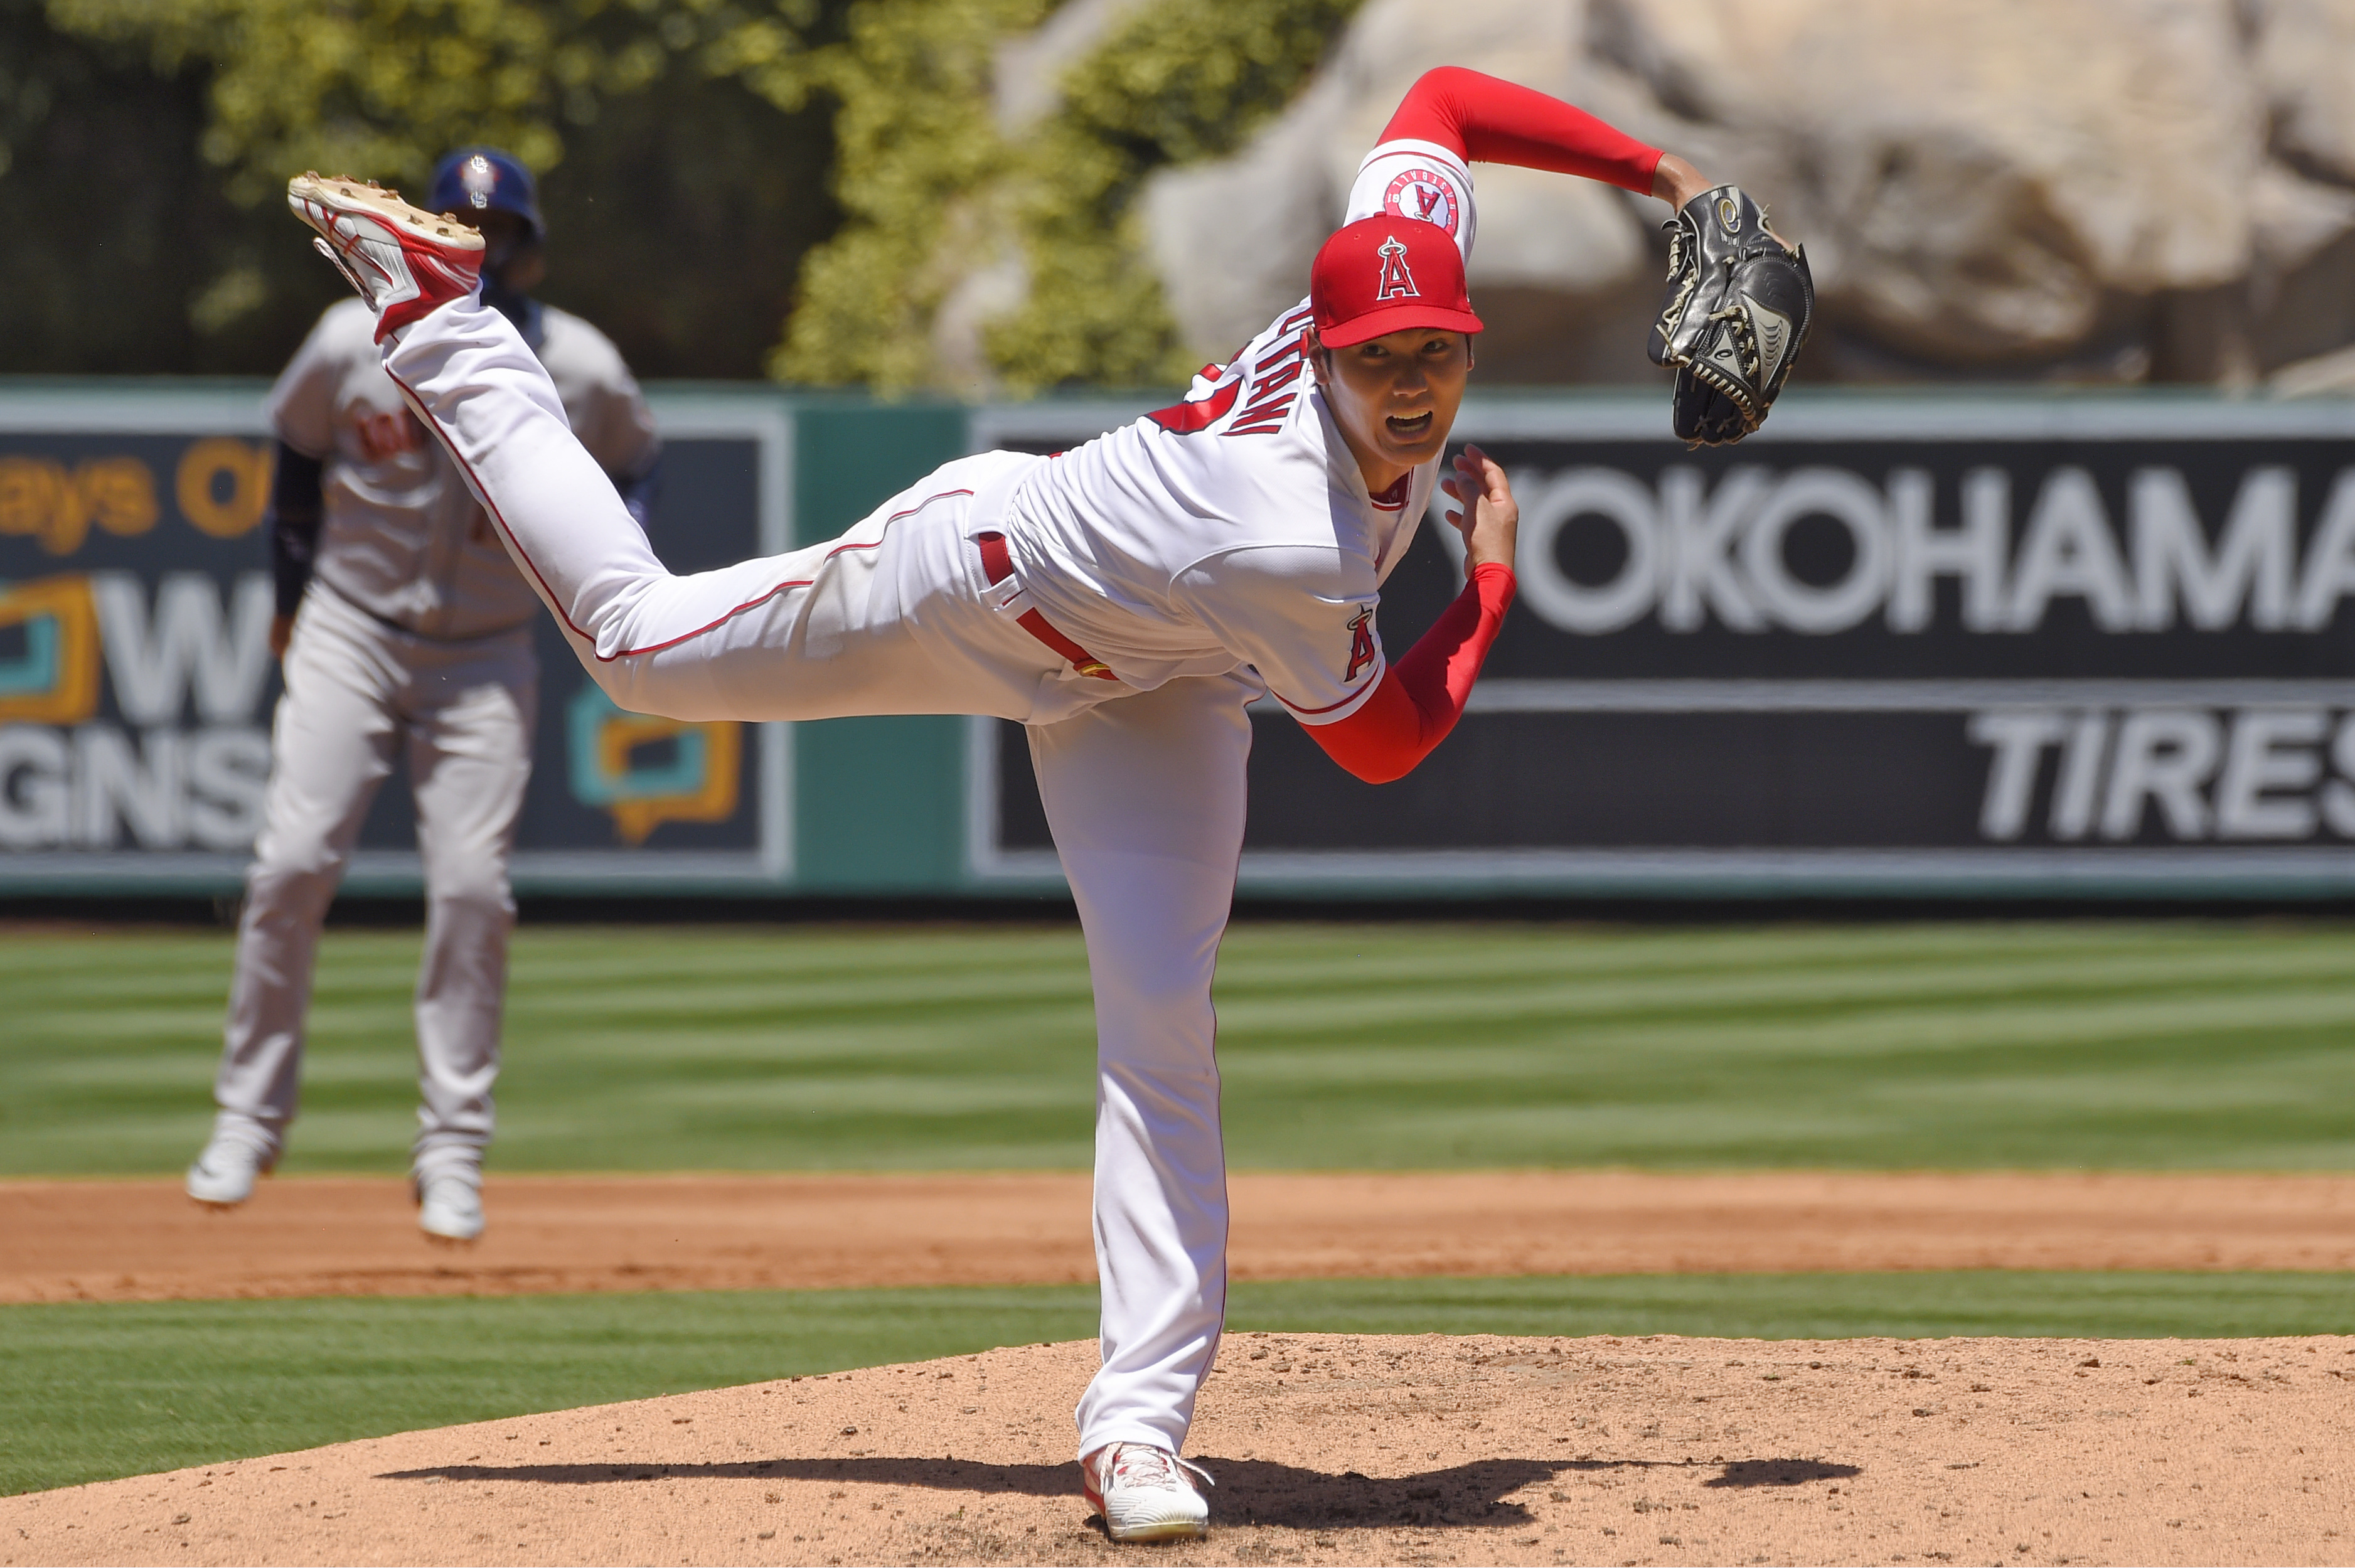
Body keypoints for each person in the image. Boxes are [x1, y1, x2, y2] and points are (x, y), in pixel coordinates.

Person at [284, 67, 1728, 1534]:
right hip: (984, 582)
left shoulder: (1391, 267)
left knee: (1160, 1017)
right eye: (1377, 359)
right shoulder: (1282, 529)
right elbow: (1381, 742)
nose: (1411, 383)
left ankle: (1136, 1434)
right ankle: (444, 315)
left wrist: (1667, 177)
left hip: (1164, 679)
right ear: (1330, 349)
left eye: (1436, 347)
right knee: (638, 649)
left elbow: (1442, 104)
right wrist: (1485, 576)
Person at [185, 147, 662, 1243]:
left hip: (488, 647)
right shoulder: (348, 338)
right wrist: (290, 595)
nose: (480, 247)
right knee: (290, 863)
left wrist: (616, 555)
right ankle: (246, 1122)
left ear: (532, 247)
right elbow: (296, 455)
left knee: (471, 890)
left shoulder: (579, 366)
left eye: (499, 233)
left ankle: (451, 1152)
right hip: (353, 628)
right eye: (458, 224)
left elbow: (639, 461)